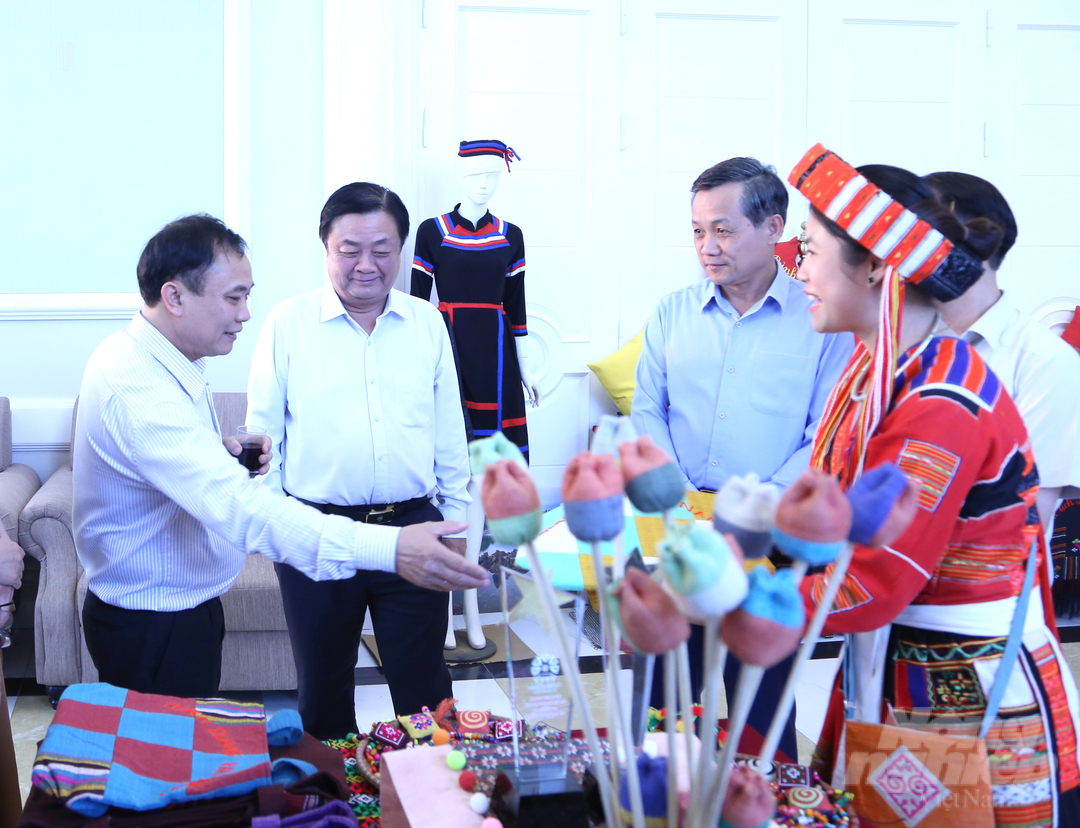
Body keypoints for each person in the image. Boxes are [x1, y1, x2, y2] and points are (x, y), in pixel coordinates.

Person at [73, 214, 488, 701]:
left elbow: (177, 473)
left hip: (177, 609)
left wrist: (217, 455)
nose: (245, 313)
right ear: (176, 297)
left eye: (247, 295)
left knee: (422, 695)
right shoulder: (141, 388)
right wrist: (393, 548)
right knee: (172, 767)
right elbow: (241, 508)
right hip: (156, 624)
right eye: (234, 297)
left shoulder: (158, 359)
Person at [792, 144, 1080, 826]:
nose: (796, 270)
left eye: (807, 250)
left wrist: (731, 598)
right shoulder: (876, 368)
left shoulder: (941, 400)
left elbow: (872, 582)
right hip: (899, 666)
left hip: (964, 688)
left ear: (876, 269)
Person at [632, 157, 854, 762]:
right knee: (659, 706)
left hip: (772, 541)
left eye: (724, 229)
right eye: (699, 230)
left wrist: (750, 509)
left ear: (774, 227)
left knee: (762, 712)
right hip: (677, 532)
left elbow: (824, 436)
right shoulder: (673, 312)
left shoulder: (822, 323)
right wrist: (678, 495)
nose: (708, 246)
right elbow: (648, 411)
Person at [247, 183, 475, 740]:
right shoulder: (287, 323)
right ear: (326, 248)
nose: (366, 265)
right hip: (318, 531)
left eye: (383, 250)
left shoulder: (427, 323)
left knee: (425, 690)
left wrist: (456, 522)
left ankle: (427, 803)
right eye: (350, 249)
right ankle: (333, 809)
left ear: (402, 251)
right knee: (322, 690)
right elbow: (262, 441)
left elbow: (449, 433)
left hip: (414, 529)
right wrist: (284, 527)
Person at [922, 171, 1080, 533]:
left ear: (981, 239)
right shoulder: (910, 345)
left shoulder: (1046, 363)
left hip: (996, 585)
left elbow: (1025, 519)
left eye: (924, 230)